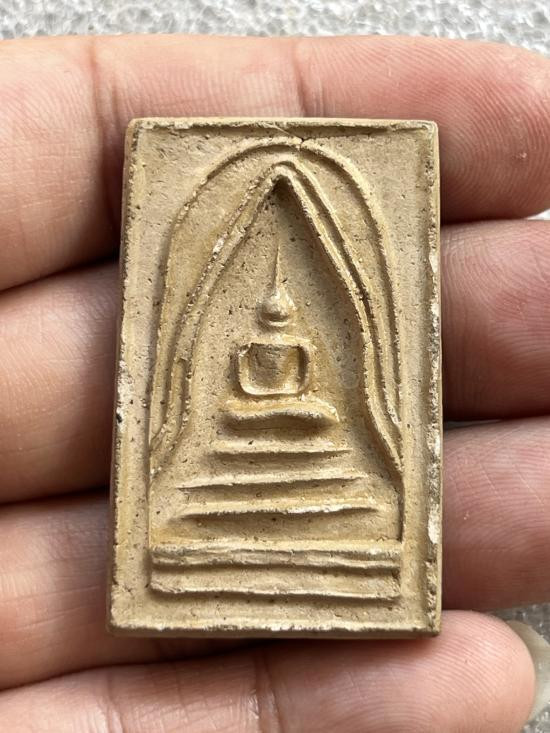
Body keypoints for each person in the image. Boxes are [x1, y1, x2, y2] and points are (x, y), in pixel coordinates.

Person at [0, 33, 549, 732]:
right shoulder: (246, 349)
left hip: (300, 421)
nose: (275, 321)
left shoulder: (300, 349)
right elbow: (243, 388)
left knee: (320, 430)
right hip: (244, 423)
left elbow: (308, 391)